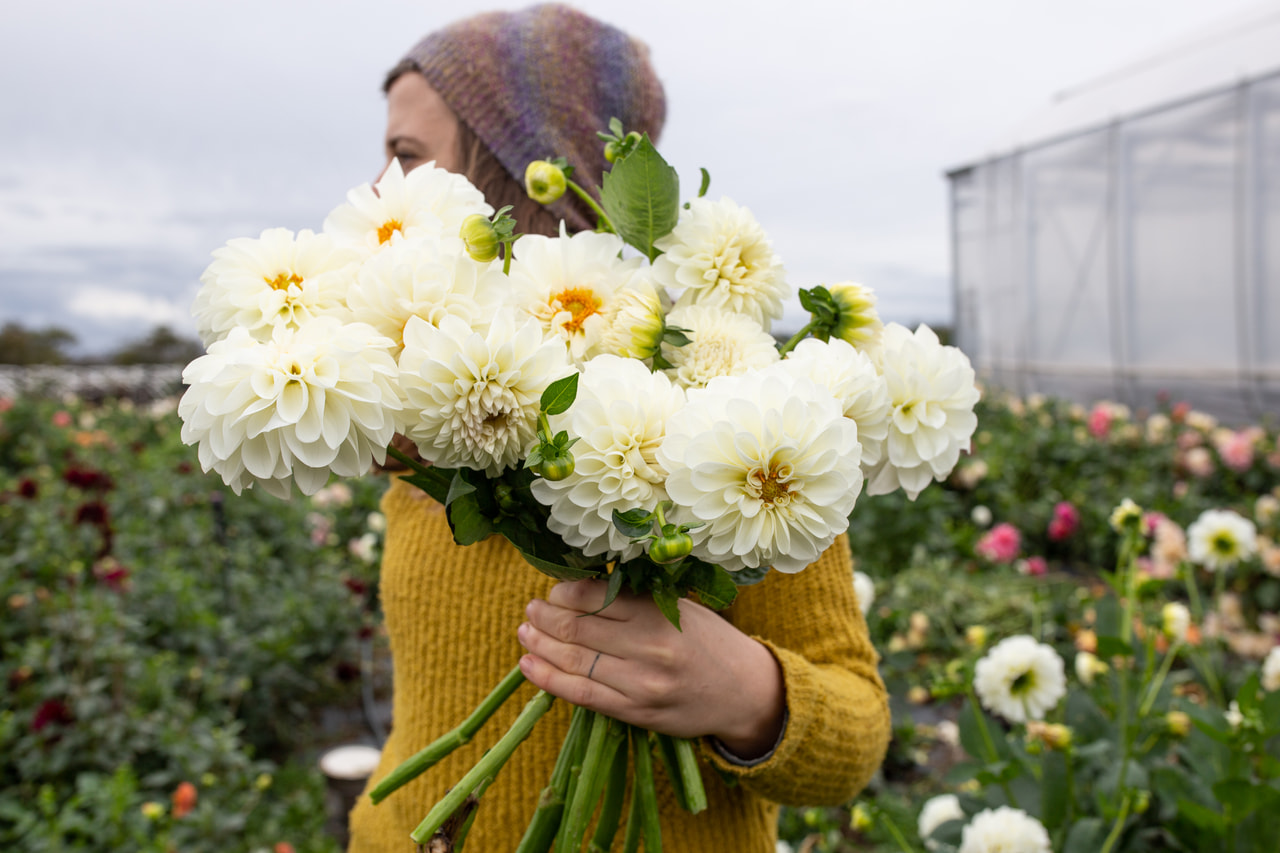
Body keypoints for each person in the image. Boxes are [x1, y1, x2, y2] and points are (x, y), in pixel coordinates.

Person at [346, 5, 891, 851]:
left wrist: (748, 695)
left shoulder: (729, 408)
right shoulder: (435, 410)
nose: (382, 187)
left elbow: (856, 737)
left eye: (407, 155)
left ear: (520, 169)